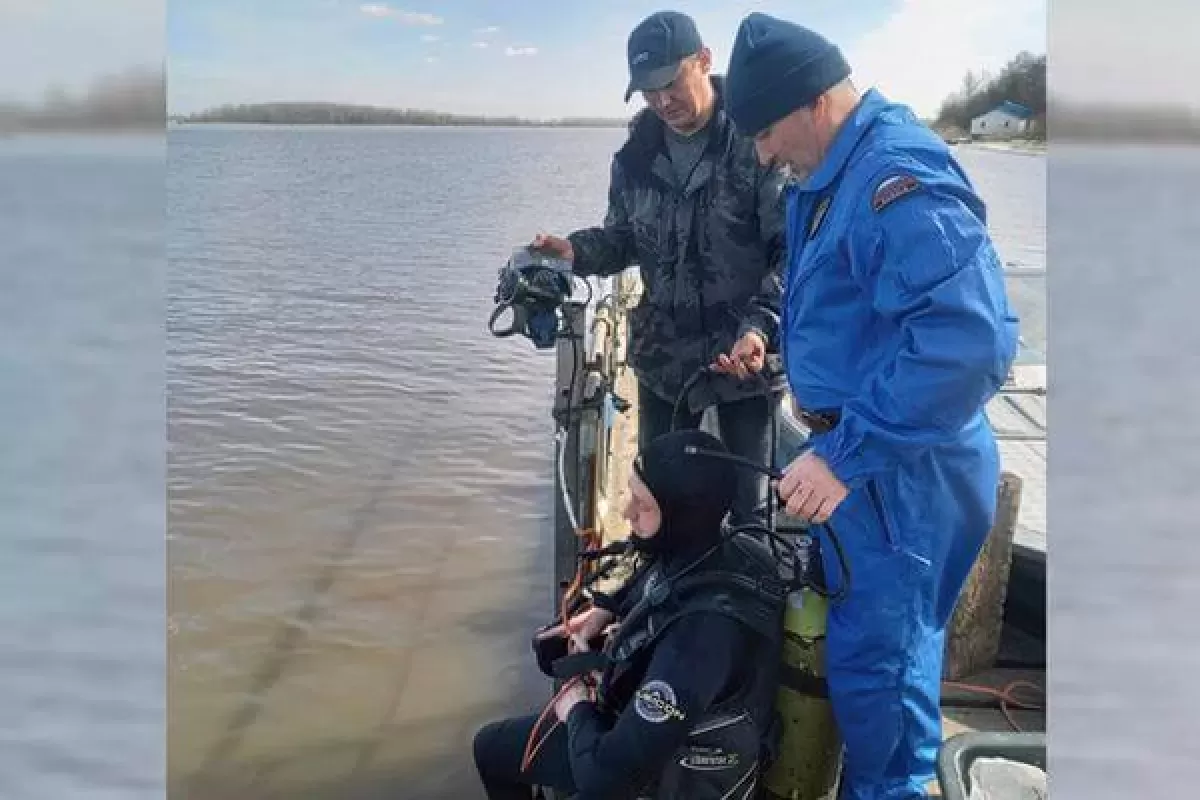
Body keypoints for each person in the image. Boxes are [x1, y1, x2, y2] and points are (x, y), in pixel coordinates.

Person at [718, 12, 1021, 800]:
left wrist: (844, 453)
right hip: (873, 467)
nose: (761, 153)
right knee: (880, 661)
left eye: (764, 130)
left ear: (814, 100)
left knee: (881, 688)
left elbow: (970, 342)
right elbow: (847, 306)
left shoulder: (895, 174)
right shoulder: (827, 177)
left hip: (899, 479)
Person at [530, 9, 788, 530]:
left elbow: (791, 252)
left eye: (671, 83)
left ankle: (741, 593)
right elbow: (624, 239)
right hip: (664, 361)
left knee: (750, 506)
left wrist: (759, 327)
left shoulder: (757, 142)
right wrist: (573, 251)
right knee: (659, 502)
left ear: (705, 61)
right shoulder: (635, 157)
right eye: (648, 92)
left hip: (744, 363)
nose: (663, 101)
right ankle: (663, 599)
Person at [472, 429, 786, 799]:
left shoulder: (699, 641)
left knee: (509, 750)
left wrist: (576, 708)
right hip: (638, 724)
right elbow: (654, 568)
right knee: (491, 748)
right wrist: (605, 609)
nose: (626, 513)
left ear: (681, 515)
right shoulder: (713, 545)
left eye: (642, 504)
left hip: (670, 774)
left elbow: (606, 779)